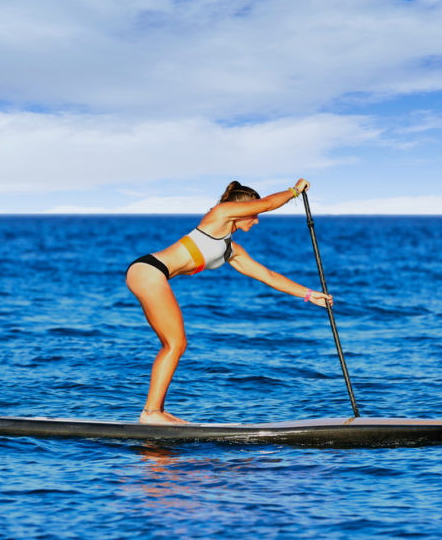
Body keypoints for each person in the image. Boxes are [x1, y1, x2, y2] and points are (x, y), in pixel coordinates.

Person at [126, 179, 333, 424]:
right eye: (253, 214)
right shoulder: (219, 214)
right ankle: (151, 413)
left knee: (174, 344)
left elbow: (268, 275)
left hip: (149, 274)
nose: (256, 220)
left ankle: (156, 411)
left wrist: (309, 295)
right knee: (175, 343)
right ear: (241, 210)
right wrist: (294, 191)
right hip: (149, 271)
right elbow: (266, 204)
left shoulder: (231, 249)